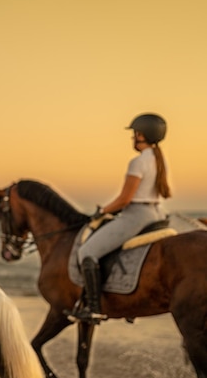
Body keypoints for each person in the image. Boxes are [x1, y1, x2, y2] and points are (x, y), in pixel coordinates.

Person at [74, 113, 170, 323]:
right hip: (157, 213)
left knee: (87, 251)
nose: (133, 138)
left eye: (134, 134)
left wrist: (102, 211)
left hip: (137, 215)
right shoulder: (159, 160)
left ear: (141, 134)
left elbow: (125, 199)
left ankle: (94, 308)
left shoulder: (138, 162)